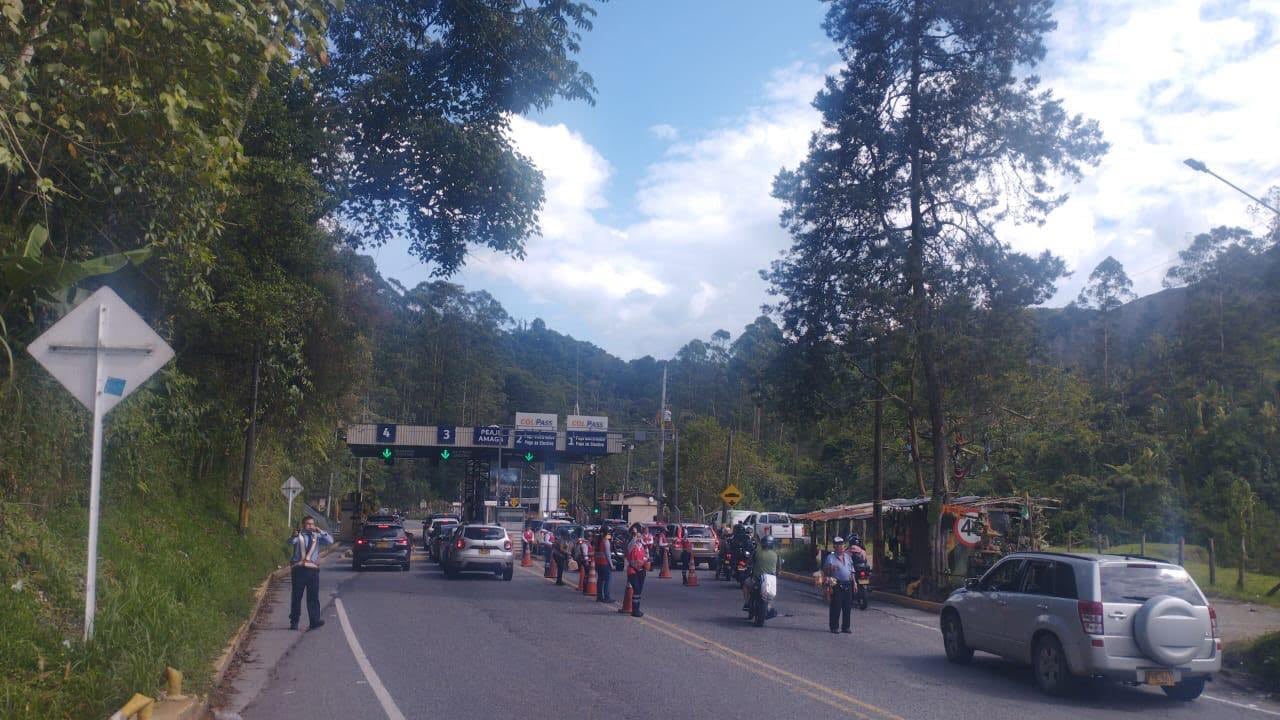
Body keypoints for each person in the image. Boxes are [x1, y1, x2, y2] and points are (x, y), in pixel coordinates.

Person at [286, 516, 334, 631]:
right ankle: (294, 621)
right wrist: (294, 534)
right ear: (303, 525)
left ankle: (314, 621)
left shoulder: (317, 536)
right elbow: (291, 541)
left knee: (313, 597)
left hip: (313, 570)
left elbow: (330, 541)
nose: (310, 526)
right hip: (299, 570)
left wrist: (321, 531)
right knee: (296, 597)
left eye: (312, 524)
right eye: (308, 524)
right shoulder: (299, 536)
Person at [822, 536, 854, 634]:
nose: (841, 547)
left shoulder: (848, 557)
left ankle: (846, 627)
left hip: (847, 583)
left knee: (847, 607)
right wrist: (830, 568)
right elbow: (825, 571)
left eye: (842, 545)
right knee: (836, 606)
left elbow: (852, 570)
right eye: (838, 545)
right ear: (835, 547)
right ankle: (834, 627)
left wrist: (855, 583)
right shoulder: (830, 558)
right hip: (836, 584)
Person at [744, 535, 781, 618]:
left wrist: (748, 566)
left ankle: (746, 602)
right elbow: (779, 570)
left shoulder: (757, 552)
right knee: (770, 594)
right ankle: (769, 606)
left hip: (756, 580)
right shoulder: (776, 554)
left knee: (746, 584)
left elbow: (749, 562)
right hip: (770, 582)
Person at [626, 523, 648, 617]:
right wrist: (634, 533)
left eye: (640, 534)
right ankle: (634, 610)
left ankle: (637, 609)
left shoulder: (641, 546)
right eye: (637, 535)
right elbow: (632, 543)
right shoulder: (631, 545)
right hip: (633, 571)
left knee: (639, 591)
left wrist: (644, 560)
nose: (639, 536)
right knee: (637, 589)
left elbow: (646, 556)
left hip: (641, 570)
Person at [594, 527, 613, 602]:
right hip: (605, 563)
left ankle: (599, 596)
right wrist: (611, 565)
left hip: (598, 563)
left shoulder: (598, 541)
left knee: (600, 580)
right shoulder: (606, 541)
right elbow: (608, 554)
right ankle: (606, 597)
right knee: (607, 580)